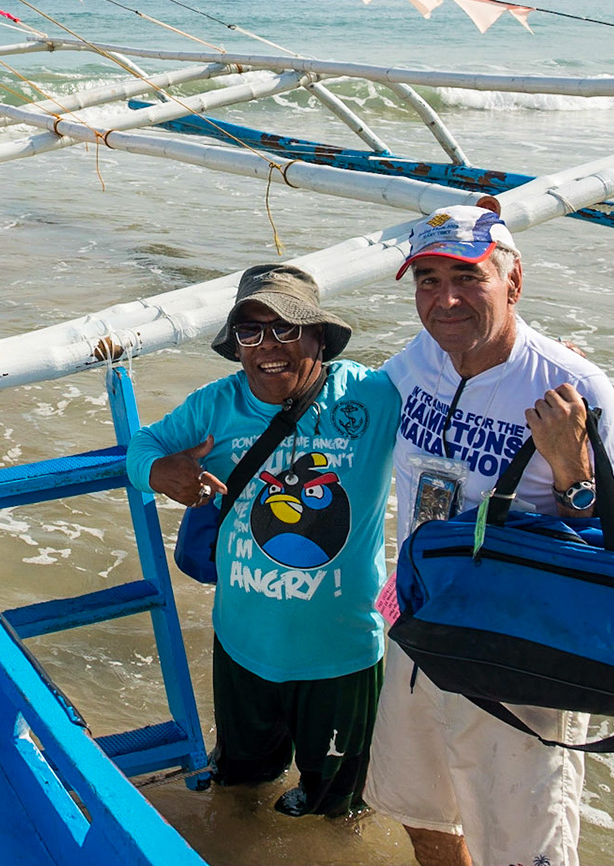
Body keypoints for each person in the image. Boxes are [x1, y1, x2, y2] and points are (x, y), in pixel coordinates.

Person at [367, 206, 614, 866]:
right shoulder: (417, 361)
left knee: (522, 849)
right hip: (420, 627)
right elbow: (341, 413)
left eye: (468, 277)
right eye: (428, 279)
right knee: (422, 812)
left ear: (513, 282)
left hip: (517, 655)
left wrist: (573, 468)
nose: (446, 298)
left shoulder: (570, 385)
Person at [127, 264, 401, 818]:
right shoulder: (216, 405)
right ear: (236, 344)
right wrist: (161, 474)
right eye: (251, 332)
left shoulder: (372, 396)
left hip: (342, 656)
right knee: (240, 791)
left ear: (318, 337)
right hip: (243, 647)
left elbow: (464, 400)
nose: (267, 347)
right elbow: (143, 445)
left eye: (286, 329)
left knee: (338, 809)